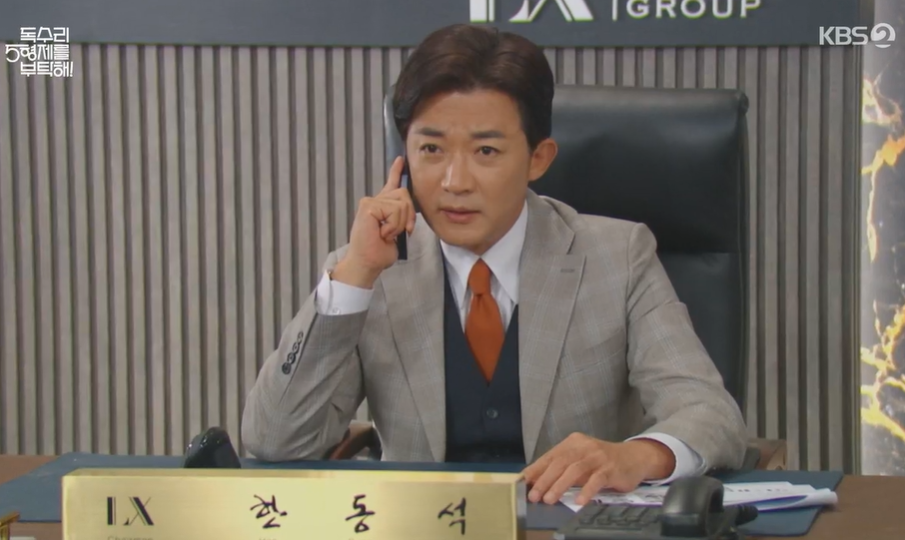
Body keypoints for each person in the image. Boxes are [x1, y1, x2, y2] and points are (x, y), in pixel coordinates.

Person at [241, 23, 747, 507]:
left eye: (485, 150)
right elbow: (275, 439)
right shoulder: (372, 268)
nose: (455, 182)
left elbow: (709, 413)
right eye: (431, 149)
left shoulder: (617, 257)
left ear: (538, 158)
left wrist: (635, 456)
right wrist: (354, 279)